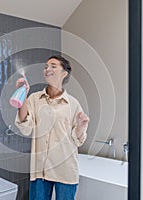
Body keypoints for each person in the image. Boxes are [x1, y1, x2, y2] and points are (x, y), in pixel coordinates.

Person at [15, 55, 90, 200]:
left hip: (65, 169)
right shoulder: (35, 99)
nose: (47, 69)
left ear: (64, 73)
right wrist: (23, 95)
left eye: (53, 66)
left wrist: (81, 126)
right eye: (46, 66)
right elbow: (25, 127)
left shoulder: (73, 104)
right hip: (40, 169)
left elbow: (78, 140)